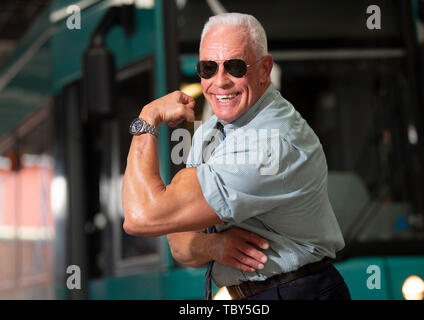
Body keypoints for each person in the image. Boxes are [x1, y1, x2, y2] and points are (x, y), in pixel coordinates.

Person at [122, 12, 350, 300]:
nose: (220, 82)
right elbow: (177, 242)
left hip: (295, 292)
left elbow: (142, 217)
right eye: (208, 68)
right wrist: (213, 246)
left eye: (235, 67)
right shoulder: (210, 133)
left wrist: (147, 118)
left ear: (265, 69)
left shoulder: (269, 144)